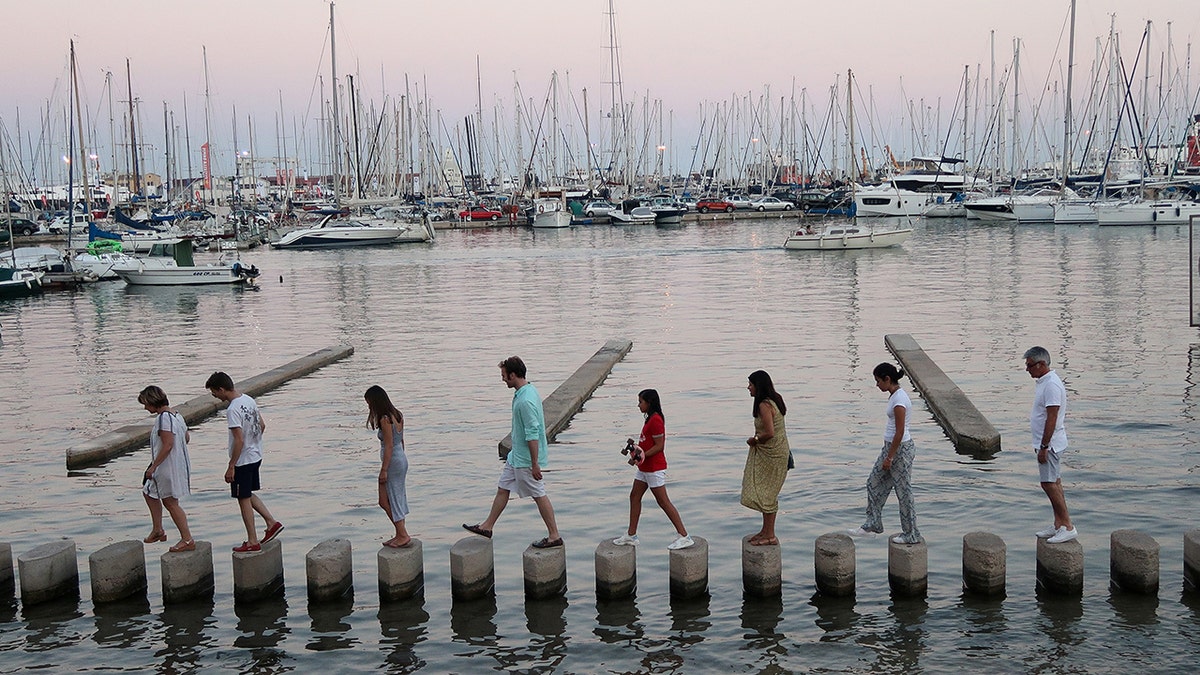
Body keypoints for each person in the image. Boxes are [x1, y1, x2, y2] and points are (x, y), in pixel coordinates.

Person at [463, 356, 563, 548]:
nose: (502, 379)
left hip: (526, 459)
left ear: (513, 375)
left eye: (504, 375)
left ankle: (554, 535)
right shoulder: (526, 391)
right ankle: (487, 526)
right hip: (515, 456)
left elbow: (532, 433)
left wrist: (535, 464)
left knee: (539, 494)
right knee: (503, 488)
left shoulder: (525, 401)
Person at [205, 371, 284, 552]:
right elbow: (262, 425)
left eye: (214, 392)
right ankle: (271, 522)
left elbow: (238, 440)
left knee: (242, 497)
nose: (214, 396)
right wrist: (254, 443)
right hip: (256, 455)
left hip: (242, 460)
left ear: (222, 389)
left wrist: (231, 465)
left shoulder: (233, 409)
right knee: (247, 494)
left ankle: (252, 541)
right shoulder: (248, 399)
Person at [847, 363, 922, 544]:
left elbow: (900, 431)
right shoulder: (894, 395)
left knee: (904, 493)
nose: (877, 385)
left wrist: (890, 457)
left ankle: (911, 533)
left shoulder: (899, 401)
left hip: (900, 450)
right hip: (890, 447)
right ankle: (873, 524)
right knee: (873, 482)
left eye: (878, 381)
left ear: (887, 379)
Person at [612, 389, 694, 550]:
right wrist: (637, 450)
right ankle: (631, 535)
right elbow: (647, 443)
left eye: (641, 402)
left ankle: (684, 536)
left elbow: (659, 446)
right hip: (644, 468)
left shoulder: (656, 420)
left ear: (649, 403)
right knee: (634, 496)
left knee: (663, 501)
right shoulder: (649, 419)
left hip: (654, 468)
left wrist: (641, 455)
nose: (638, 405)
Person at [1024, 346, 1076, 543]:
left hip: (1050, 444)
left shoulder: (1052, 385)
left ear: (1042, 364)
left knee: (1048, 484)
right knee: (1055, 482)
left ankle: (1067, 526)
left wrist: (1044, 446)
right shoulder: (1044, 382)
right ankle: (1059, 524)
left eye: (1029, 366)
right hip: (1046, 442)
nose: (1027, 370)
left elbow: (1052, 417)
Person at [138, 385, 195, 553]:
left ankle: (187, 539)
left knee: (170, 502)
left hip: (166, 467)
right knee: (149, 491)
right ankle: (158, 529)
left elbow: (168, 444)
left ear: (152, 402)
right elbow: (186, 438)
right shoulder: (177, 416)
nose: (145, 408)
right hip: (177, 464)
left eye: (145, 404)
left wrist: (154, 466)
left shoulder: (164, 418)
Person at [741, 370, 790, 546]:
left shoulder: (764, 405)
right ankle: (765, 530)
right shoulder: (776, 398)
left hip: (773, 454)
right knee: (767, 492)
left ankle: (770, 535)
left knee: (767, 493)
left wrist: (754, 440)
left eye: (751, 384)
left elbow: (769, 432)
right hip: (777, 452)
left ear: (758, 386)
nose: (748, 387)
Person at [365, 385, 411, 548]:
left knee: (389, 499)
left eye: (369, 403)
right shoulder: (397, 414)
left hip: (392, 462)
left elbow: (389, 445)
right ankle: (400, 533)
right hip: (400, 459)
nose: (369, 407)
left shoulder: (385, 419)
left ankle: (403, 534)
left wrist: (384, 470)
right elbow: (401, 441)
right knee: (391, 499)